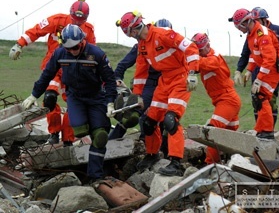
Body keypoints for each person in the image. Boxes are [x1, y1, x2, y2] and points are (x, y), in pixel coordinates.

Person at [21, 24, 117, 182]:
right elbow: (46, 75)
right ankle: (90, 133)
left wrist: (110, 102)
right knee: (79, 129)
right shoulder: (60, 53)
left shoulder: (97, 54)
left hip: (95, 97)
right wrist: (34, 95)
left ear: (82, 41)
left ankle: (95, 176)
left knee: (100, 137)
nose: (73, 51)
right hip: (75, 97)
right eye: (69, 48)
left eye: (76, 47)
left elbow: (110, 80)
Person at [116, 11, 200, 176]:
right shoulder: (142, 45)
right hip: (164, 82)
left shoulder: (163, 34)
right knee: (149, 121)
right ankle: (152, 154)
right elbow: (141, 72)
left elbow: (190, 46)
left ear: (134, 29)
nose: (131, 36)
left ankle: (176, 162)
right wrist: (138, 96)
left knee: (170, 120)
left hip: (180, 78)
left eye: (129, 33)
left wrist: (192, 72)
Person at [9, 0, 96, 147]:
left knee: (73, 105)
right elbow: (37, 30)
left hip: (73, 71)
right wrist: (19, 44)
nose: (76, 23)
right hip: (53, 67)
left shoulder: (88, 30)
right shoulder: (57, 20)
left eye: (80, 21)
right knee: (49, 98)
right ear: (70, 14)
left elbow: (92, 52)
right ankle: (54, 133)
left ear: (86, 19)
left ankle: (68, 140)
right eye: (74, 19)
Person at [109, 18, 173, 158]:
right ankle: (112, 143)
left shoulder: (172, 43)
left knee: (166, 118)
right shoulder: (141, 46)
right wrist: (117, 78)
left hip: (167, 84)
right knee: (134, 113)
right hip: (147, 84)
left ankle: (165, 152)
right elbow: (123, 64)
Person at [231, 7, 279, 126]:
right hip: (261, 68)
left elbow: (278, 54)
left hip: (273, 69)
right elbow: (251, 54)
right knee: (257, 97)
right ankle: (261, 128)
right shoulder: (252, 34)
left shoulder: (271, 32)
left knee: (264, 97)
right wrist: (245, 71)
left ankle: (267, 130)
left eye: (239, 27)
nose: (239, 30)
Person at [190, 33, 241, 164]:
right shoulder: (205, 57)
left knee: (212, 131)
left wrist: (190, 59)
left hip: (227, 100)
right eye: (197, 51)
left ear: (208, 45)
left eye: (200, 50)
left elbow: (204, 64)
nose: (199, 53)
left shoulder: (214, 58)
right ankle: (230, 162)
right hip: (225, 100)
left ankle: (210, 164)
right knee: (228, 136)